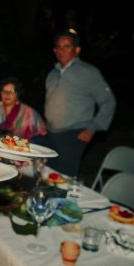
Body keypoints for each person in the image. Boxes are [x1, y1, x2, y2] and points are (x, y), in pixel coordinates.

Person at [43, 29, 116, 176]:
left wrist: (92, 128)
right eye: (58, 47)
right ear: (54, 50)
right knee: (47, 173)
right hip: (51, 133)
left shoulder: (88, 72)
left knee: (63, 177)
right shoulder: (52, 74)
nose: (62, 50)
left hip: (74, 133)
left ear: (77, 50)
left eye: (67, 46)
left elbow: (108, 102)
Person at [0, 76, 47, 140]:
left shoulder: (29, 113)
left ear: (18, 94)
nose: (7, 94)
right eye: (4, 91)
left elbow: (43, 134)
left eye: (11, 91)